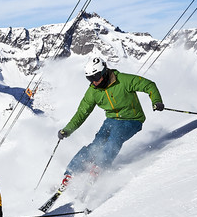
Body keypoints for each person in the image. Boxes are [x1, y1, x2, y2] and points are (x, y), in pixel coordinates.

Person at [57, 56, 164, 188]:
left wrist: (156, 101)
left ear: (104, 72)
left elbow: (149, 85)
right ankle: (71, 173)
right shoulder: (93, 91)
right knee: (96, 145)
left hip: (132, 119)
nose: (94, 82)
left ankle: (98, 169)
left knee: (114, 139)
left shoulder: (123, 80)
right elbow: (81, 113)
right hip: (111, 120)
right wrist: (67, 130)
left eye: (95, 77)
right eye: (89, 79)